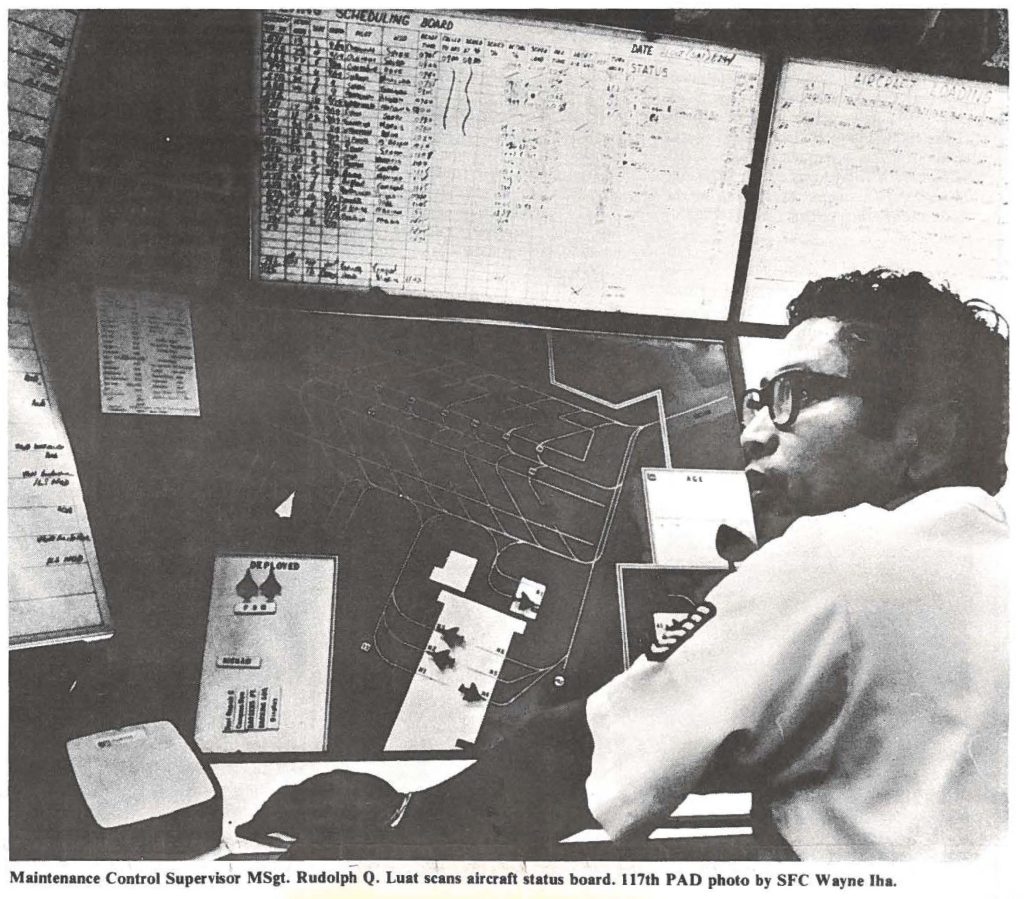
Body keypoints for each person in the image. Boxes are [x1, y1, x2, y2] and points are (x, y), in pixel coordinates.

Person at [238, 269, 1009, 861]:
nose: (752, 436)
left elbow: (589, 755)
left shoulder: (840, 557)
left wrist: (398, 819)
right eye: (753, 400)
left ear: (929, 437)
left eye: (794, 395)